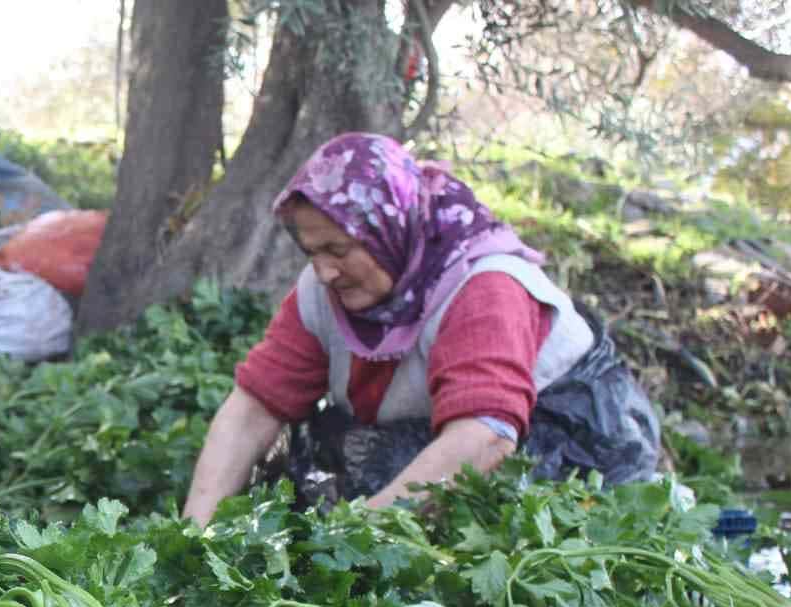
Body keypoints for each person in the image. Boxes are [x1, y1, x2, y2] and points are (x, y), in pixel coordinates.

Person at [183, 132, 660, 525]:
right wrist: (195, 533)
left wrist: (360, 535)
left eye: (339, 249)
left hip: (570, 443)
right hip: (439, 431)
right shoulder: (322, 292)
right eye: (312, 252)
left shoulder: (484, 286)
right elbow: (252, 411)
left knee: (402, 484)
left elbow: (484, 436)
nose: (325, 270)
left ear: (388, 229)